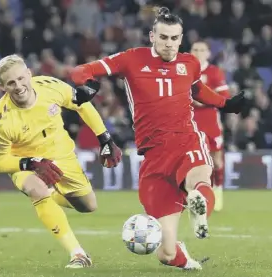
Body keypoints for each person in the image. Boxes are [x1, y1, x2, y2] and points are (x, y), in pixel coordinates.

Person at [70, 7, 245, 270]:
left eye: (174, 38)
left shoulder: (189, 63)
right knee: (166, 253)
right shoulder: (132, 59)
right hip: (153, 155)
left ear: (181, 38)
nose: (169, 44)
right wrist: (86, 83)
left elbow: (197, 89)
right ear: (152, 36)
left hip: (186, 138)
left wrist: (225, 103)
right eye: (163, 37)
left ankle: (199, 206)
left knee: (198, 178)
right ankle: (185, 256)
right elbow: (82, 70)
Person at [0, 54, 122, 269]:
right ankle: (78, 254)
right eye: (11, 83)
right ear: (2, 87)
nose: (19, 86)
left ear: (29, 74)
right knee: (36, 189)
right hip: (28, 163)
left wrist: (105, 138)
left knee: (88, 206)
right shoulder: (0, 121)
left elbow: (81, 104)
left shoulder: (49, 86)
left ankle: (52, 197)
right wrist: (28, 163)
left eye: (21, 78)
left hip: (62, 156)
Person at [190, 41, 230, 212]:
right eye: (195, 49)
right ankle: (194, 196)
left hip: (210, 122)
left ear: (208, 54)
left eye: (202, 50)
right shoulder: (184, 70)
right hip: (190, 122)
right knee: (191, 160)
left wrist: (201, 100)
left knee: (216, 159)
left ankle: (218, 191)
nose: (198, 52)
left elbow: (225, 96)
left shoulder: (214, 72)